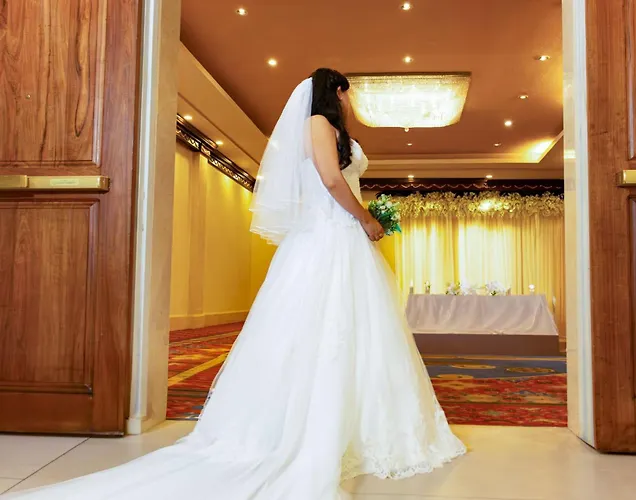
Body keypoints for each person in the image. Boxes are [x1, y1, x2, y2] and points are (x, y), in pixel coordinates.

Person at [7, 68, 465, 500]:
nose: (351, 102)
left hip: (337, 237)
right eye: (348, 94)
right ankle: (308, 428)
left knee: (355, 330)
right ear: (337, 92)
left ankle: (362, 425)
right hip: (330, 237)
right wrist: (364, 218)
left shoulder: (329, 130)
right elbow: (329, 179)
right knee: (324, 329)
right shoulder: (318, 124)